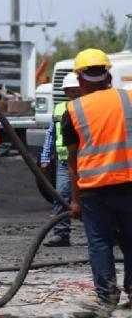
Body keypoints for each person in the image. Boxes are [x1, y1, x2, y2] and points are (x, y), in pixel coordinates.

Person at [61, 49, 132, 313]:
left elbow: (72, 160)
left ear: (79, 79)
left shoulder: (74, 109)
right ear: (108, 73)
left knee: (100, 242)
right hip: (130, 183)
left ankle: (106, 298)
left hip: (95, 188)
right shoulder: (130, 98)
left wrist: (75, 199)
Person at [40, 72, 82, 247]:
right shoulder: (59, 109)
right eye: (71, 91)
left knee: (94, 198)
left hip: (86, 161)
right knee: (61, 196)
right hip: (65, 162)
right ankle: (61, 234)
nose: (75, 94)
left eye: (77, 91)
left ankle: (110, 234)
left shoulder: (86, 109)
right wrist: (45, 157)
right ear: (66, 92)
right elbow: (51, 134)